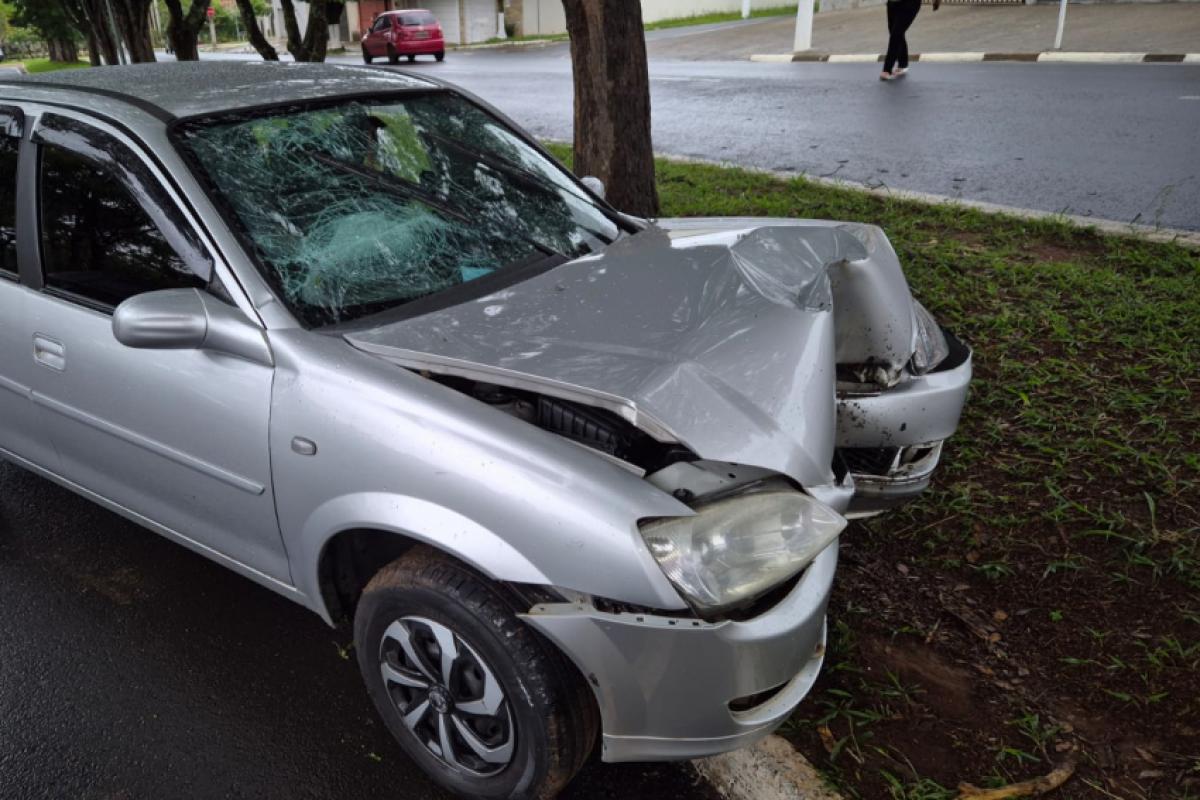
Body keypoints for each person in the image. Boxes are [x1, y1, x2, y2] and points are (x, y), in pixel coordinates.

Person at [882, 0, 939, 81]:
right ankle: (903, 64)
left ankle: (887, 70)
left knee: (896, 34)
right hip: (892, 3)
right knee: (895, 33)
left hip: (910, 3)